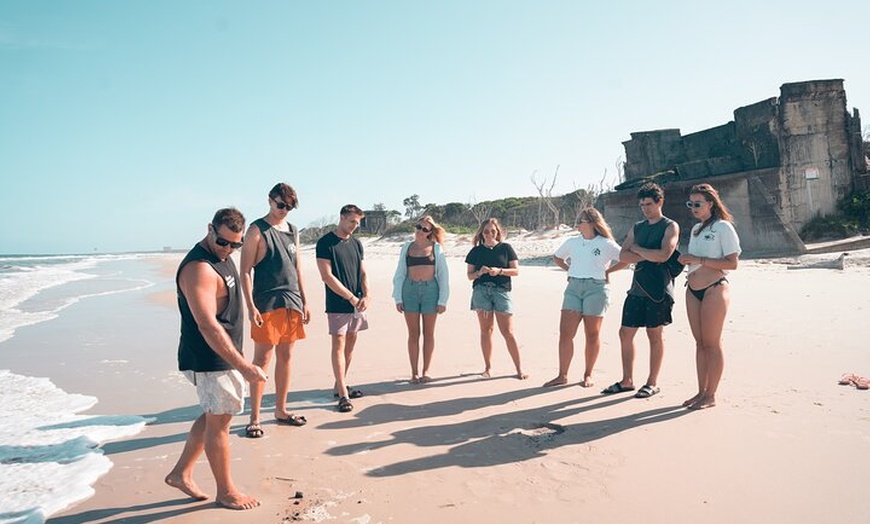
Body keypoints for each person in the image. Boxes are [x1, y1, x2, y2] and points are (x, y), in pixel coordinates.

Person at [165, 208, 267, 511]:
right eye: (223, 242)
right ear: (210, 229)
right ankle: (226, 491)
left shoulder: (224, 257)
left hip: (225, 355)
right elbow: (207, 325)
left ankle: (180, 473)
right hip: (209, 357)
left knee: (216, 415)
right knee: (220, 422)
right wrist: (244, 365)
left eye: (235, 245)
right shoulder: (199, 268)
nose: (229, 249)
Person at [239, 183, 310, 438]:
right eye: (281, 205)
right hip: (266, 302)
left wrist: (305, 300)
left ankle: (281, 410)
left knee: (287, 356)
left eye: (289, 207)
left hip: (291, 301)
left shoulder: (292, 230)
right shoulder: (257, 230)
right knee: (262, 360)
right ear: (270, 201)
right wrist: (250, 306)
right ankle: (255, 418)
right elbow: (245, 271)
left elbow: (297, 267)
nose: (284, 211)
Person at [602, 182, 680, 399]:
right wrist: (645, 253)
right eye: (642, 205)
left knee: (654, 334)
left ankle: (652, 382)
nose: (645, 208)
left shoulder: (670, 226)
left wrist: (636, 250)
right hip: (636, 288)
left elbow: (664, 255)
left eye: (648, 204)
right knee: (625, 333)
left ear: (659, 202)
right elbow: (623, 256)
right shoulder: (637, 227)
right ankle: (627, 380)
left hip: (658, 289)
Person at [543, 208, 627, 388]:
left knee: (592, 333)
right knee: (566, 333)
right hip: (573, 287)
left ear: (591, 222)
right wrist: (569, 270)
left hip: (596, 289)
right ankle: (562, 375)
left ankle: (588, 374)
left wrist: (608, 271)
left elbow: (625, 259)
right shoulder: (572, 242)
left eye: (580, 221)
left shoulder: (606, 243)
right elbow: (557, 258)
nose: (577, 224)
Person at [678, 184, 741, 410]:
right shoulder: (696, 229)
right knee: (700, 343)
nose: (693, 208)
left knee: (712, 344)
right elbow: (695, 259)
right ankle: (700, 391)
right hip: (692, 290)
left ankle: (711, 394)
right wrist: (686, 260)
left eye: (698, 204)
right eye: (690, 204)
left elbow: (732, 263)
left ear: (710, 204)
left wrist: (699, 259)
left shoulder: (723, 227)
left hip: (714, 288)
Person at [316, 204, 370, 413]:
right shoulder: (326, 243)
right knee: (338, 345)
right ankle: (343, 395)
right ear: (341, 218)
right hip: (338, 303)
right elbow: (326, 276)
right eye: (351, 222)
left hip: (357, 303)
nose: (354, 226)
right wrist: (349, 297)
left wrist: (366, 295)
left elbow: (362, 272)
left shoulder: (357, 244)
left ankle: (340, 385)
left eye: (357, 223)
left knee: (351, 344)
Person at [464, 218, 527, 379]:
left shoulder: (506, 248)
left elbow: (516, 270)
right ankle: (488, 367)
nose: (490, 234)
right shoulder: (475, 251)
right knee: (486, 330)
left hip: (501, 291)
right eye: (486, 231)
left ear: (498, 232)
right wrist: (480, 273)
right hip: (481, 291)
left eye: (493, 231)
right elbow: (470, 276)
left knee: (508, 331)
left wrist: (499, 271)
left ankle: (519, 369)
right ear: (481, 233)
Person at [392, 215, 450, 383]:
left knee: (428, 333)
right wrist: (398, 297)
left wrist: (442, 300)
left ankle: (426, 370)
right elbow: (400, 273)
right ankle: (414, 372)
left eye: (425, 229)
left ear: (430, 232)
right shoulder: (407, 247)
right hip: (409, 290)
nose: (420, 231)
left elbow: (443, 275)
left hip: (430, 291)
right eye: (419, 227)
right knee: (413, 333)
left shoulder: (436, 248)